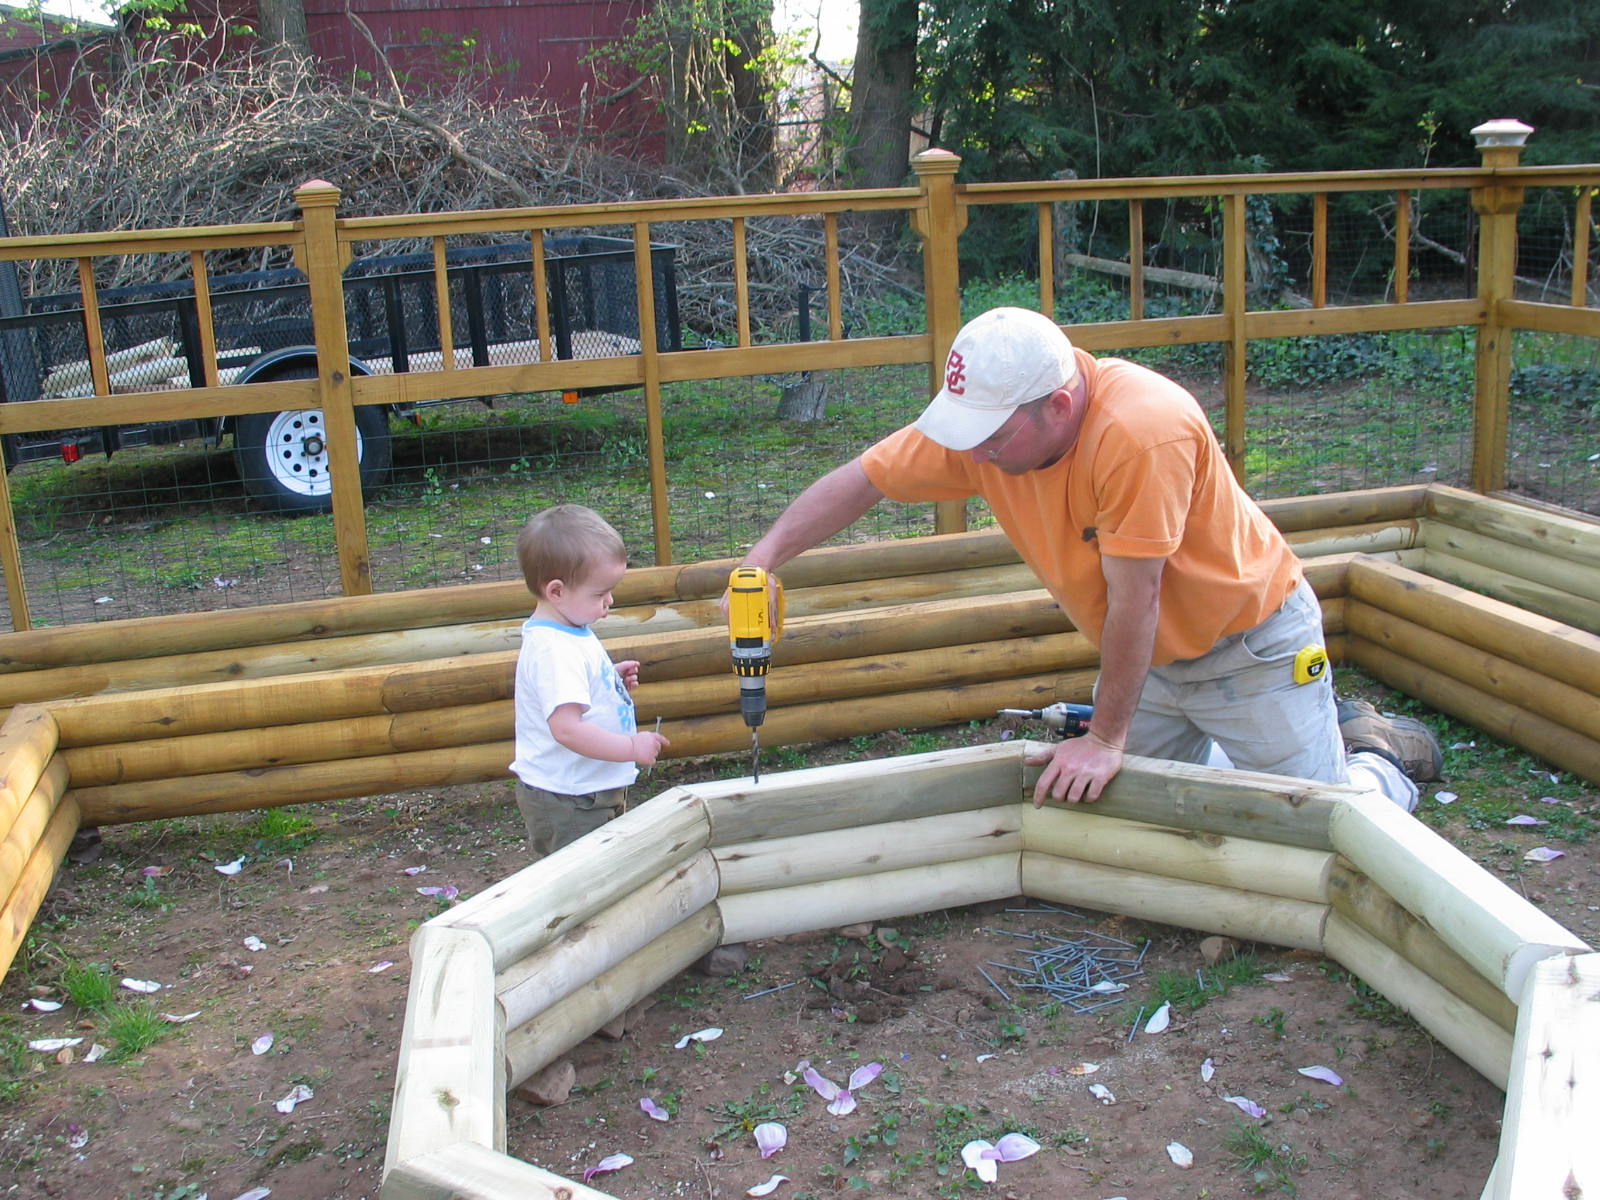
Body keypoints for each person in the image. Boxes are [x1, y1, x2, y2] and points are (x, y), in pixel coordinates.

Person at [736, 307, 1440, 810]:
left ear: (1061, 404)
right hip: (1150, 663)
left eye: (993, 438)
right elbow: (865, 478)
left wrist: (1106, 736)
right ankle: (1267, 745)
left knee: (1318, 822)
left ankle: (1377, 760)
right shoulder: (987, 429)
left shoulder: (1141, 433)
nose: (975, 453)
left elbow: (1138, 599)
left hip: (1248, 648)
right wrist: (765, 557)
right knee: (1133, 815)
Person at [510, 504, 670, 856]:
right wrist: (631, 748)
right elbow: (566, 728)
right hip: (571, 799)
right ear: (556, 591)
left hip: (586, 788)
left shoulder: (569, 629)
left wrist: (605, 684)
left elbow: (567, 694)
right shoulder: (555, 649)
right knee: (582, 881)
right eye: (599, 594)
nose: (609, 602)